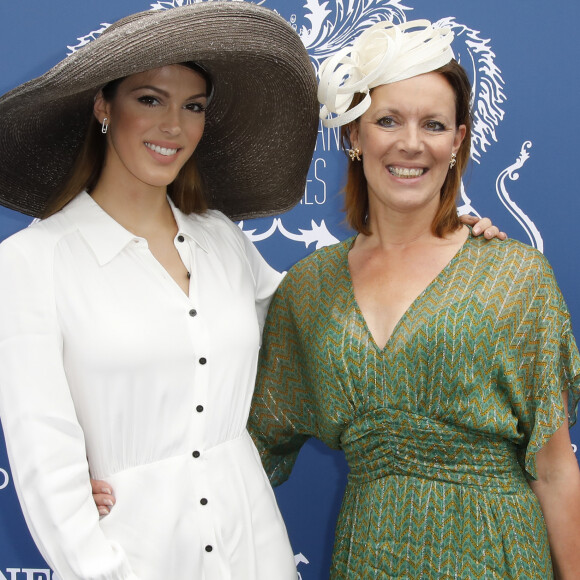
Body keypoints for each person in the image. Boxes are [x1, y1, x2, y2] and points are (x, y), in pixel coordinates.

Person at [247, 19, 580, 579]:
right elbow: (253, 444)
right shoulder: (307, 288)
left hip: (498, 553)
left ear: (457, 141)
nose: (411, 143)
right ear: (354, 136)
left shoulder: (514, 277)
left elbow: (554, 468)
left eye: (433, 124)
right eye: (387, 120)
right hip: (370, 552)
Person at [0, 4, 319, 579]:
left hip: (254, 551)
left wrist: (440, 245)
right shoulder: (32, 263)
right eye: (150, 99)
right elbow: (43, 449)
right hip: (135, 559)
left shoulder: (222, 240)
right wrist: (97, 564)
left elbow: (320, 310)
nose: (174, 126)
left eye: (192, 106)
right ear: (103, 105)